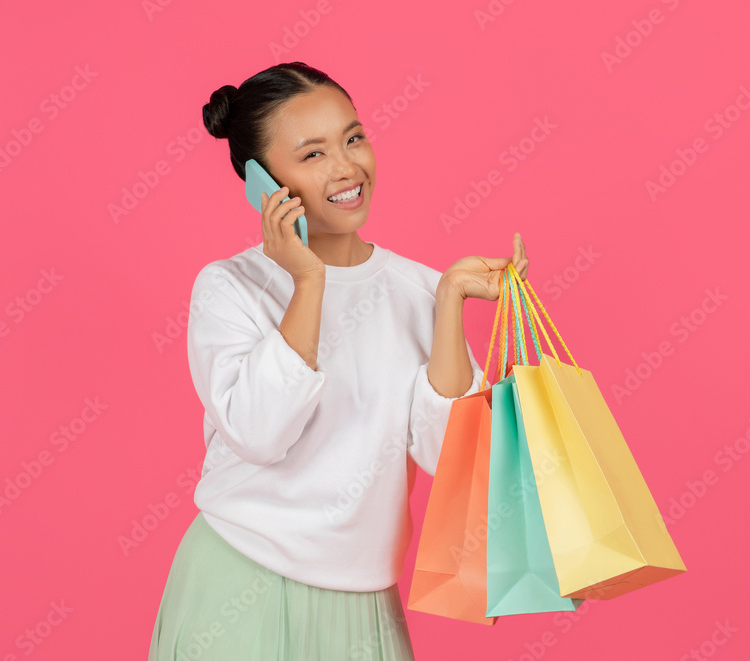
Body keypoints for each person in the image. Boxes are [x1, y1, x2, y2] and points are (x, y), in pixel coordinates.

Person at [147, 61, 530, 660]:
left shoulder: (419, 290)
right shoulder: (230, 287)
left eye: (353, 138)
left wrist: (450, 302)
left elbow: (451, 457)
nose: (347, 167)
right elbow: (258, 432)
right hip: (239, 587)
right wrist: (307, 281)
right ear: (261, 181)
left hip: (366, 602)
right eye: (313, 154)